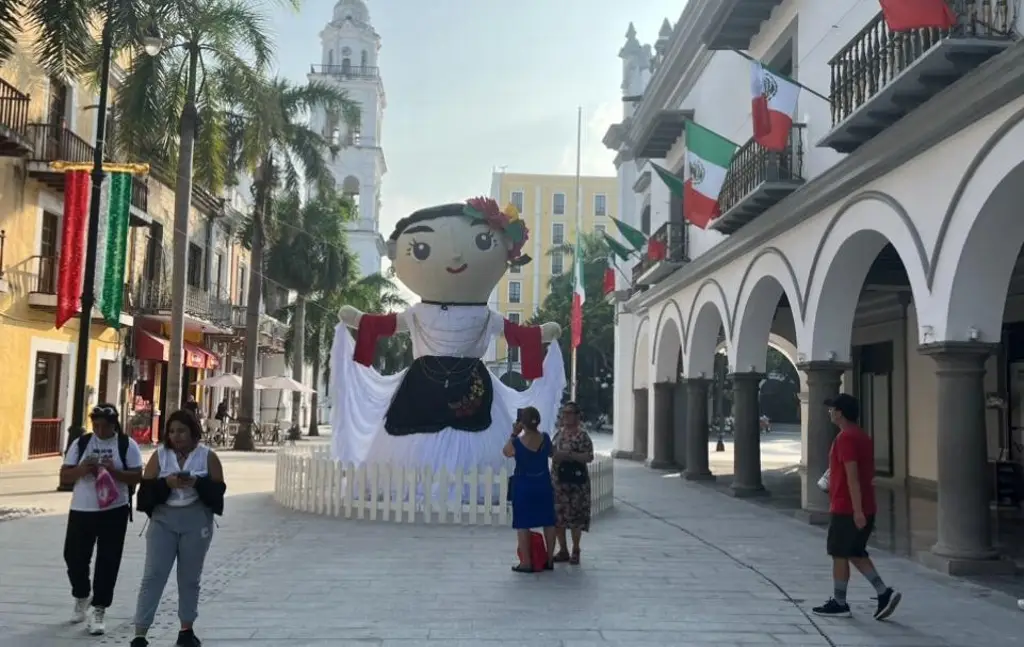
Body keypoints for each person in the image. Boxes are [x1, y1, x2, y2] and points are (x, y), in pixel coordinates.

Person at [331, 198, 564, 482]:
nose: (454, 257)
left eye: (481, 242)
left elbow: (515, 335)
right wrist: (358, 320)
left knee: (476, 427)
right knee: (409, 426)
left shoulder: (484, 315)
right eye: (421, 248)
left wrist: (540, 335)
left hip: (471, 381)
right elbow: (388, 324)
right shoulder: (419, 312)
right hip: (422, 384)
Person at [131, 409, 226, 647]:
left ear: (194, 432)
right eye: (172, 431)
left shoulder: (208, 457)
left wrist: (197, 483)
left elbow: (218, 492)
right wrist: (166, 483)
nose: (177, 436)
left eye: (182, 431)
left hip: (196, 521)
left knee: (189, 578)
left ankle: (186, 629)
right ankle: (140, 633)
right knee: (154, 575)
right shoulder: (160, 456)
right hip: (164, 521)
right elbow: (144, 495)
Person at [813, 394, 901, 620]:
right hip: (862, 505)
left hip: (847, 507)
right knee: (855, 552)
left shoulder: (846, 438)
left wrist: (857, 510)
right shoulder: (862, 436)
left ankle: (840, 603)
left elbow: (853, 476)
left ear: (840, 412)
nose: (829, 412)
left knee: (839, 553)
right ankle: (884, 593)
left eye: (832, 408)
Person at [60, 403, 144, 635]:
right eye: (95, 425)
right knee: (74, 556)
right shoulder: (82, 443)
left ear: (113, 425)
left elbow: (137, 476)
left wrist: (113, 471)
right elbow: (65, 475)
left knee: (108, 561)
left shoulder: (126, 445)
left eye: (103, 426)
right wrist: (83, 469)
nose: (98, 430)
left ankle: (99, 608)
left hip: (114, 510)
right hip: (82, 508)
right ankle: (81, 594)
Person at [503, 406, 556, 573]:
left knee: (523, 523)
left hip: (524, 485)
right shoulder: (545, 438)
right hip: (543, 484)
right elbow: (552, 453)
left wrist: (514, 433)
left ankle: (526, 562)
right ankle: (549, 560)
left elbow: (506, 452)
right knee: (548, 521)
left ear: (521, 423)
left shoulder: (518, 442)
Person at [551, 401, 594, 565]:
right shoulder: (559, 434)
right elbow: (552, 452)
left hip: (577, 482)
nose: (566, 416)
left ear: (577, 416)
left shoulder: (582, 435)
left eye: (570, 413)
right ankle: (563, 549)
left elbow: (589, 456)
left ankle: (576, 548)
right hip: (558, 481)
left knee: (576, 516)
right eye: (564, 413)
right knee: (558, 516)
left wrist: (569, 455)